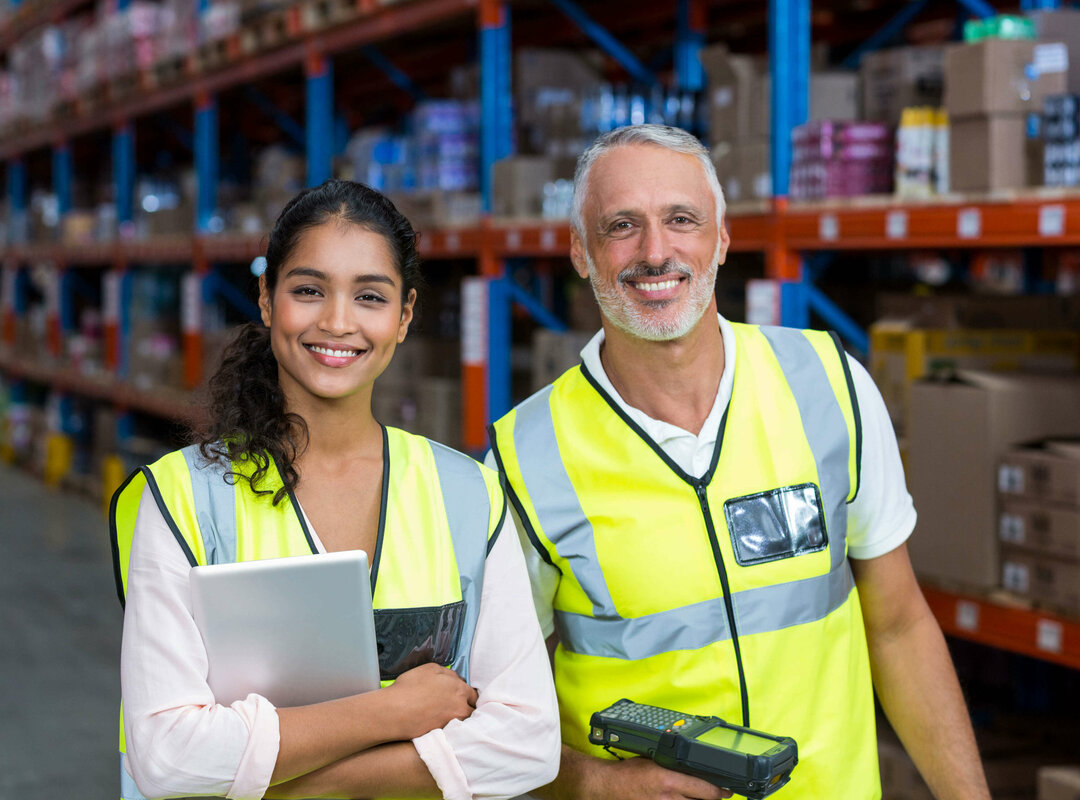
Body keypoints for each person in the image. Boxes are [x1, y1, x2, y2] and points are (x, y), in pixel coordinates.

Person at [486, 125, 991, 800]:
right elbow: (495, 705)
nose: (655, 252)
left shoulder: (829, 384)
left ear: (722, 238)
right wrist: (597, 784)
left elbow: (898, 626)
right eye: (622, 226)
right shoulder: (524, 459)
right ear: (580, 252)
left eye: (682, 220)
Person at [111, 179, 559, 800]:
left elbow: (528, 745)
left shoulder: (468, 495)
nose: (338, 322)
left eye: (369, 296)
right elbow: (167, 754)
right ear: (267, 300)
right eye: (308, 290)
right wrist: (391, 713)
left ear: (404, 317)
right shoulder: (182, 495)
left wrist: (277, 782)